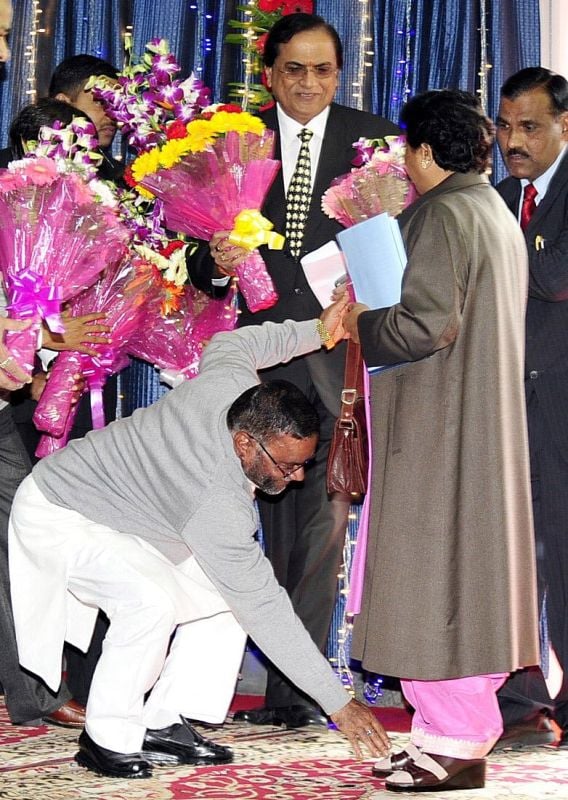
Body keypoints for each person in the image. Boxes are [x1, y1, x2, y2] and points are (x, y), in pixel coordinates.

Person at [8, 308, 390, 780]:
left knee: (225, 602)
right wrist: (339, 703)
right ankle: (105, 739)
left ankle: (166, 720)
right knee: (148, 603)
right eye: (286, 466)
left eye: (302, 467)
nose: (294, 479)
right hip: (61, 509)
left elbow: (232, 344)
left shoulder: (233, 385)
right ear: (246, 443)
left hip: (133, 519)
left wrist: (315, 329)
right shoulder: (216, 500)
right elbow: (266, 607)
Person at [188, 12, 398, 730]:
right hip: (253, 357)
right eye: (296, 70)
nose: (310, 83)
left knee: (323, 525)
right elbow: (194, 258)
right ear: (270, 72)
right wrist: (212, 262)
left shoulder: (375, 143)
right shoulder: (231, 140)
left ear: (339, 75)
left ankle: (296, 695)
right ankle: (208, 687)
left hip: (337, 356)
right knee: (243, 521)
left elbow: (396, 249)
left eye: (324, 70)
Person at [342, 90, 539, 792]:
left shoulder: (442, 214)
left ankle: (455, 745)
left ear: (423, 152)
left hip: (440, 426)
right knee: (458, 572)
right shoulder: (492, 209)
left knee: (438, 577)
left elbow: (423, 325)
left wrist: (364, 319)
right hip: (474, 418)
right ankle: (435, 734)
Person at [0, 97, 113, 728]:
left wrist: (46, 341)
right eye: (54, 156)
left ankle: (35, 692)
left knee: (26, 536)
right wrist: (43, 335)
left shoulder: (57, 227)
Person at [494, 67, 568, 751]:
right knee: (511, 559)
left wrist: (512, 235)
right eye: (505, 126)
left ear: (564, 127)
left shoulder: (522, 207)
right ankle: (520, 704)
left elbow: (555, 278)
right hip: (504, 407)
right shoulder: (496, 196)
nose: (513, 142)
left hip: (563, 405)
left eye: (530, 127)